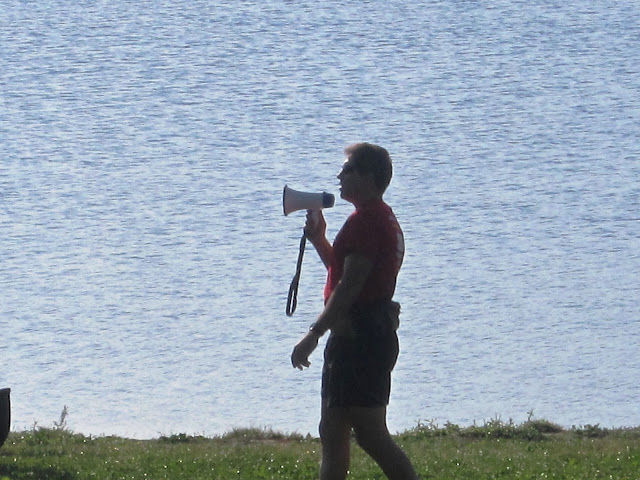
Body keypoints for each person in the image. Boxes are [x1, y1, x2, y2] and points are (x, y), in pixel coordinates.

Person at [291, 143, 419, 480]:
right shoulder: (377, 216)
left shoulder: (366, 222)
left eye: (347, 170)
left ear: (367, 177)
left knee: (366, 433)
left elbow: (350, 287)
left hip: (358, 338)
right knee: (338, 428)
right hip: (370, 333)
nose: (339, 176)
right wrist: (320, 239)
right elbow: (345, 275)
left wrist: (313, 334)